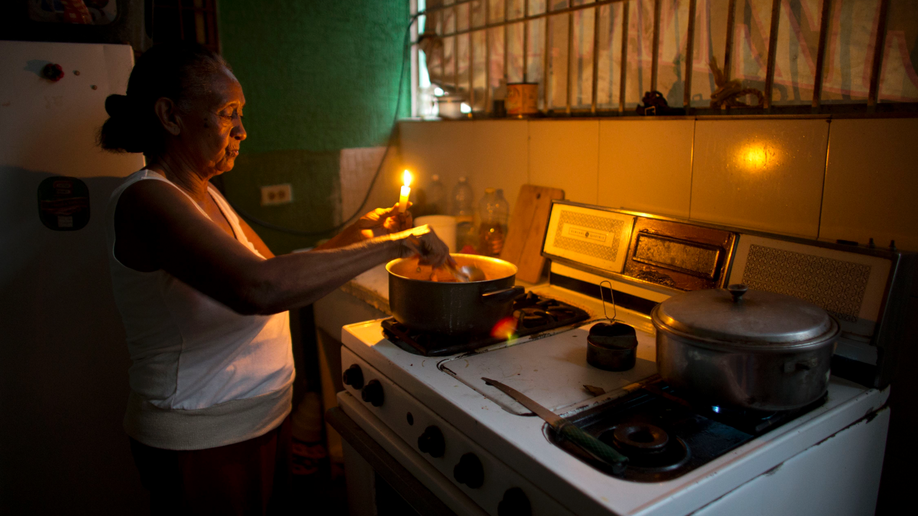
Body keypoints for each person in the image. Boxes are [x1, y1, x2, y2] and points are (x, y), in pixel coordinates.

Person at [98, 41, 449, 515]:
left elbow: (271, 271)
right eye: (228, 113)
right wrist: (397, 244)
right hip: (202, 440)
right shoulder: (148, 201)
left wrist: (352, 235)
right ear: (170, 115)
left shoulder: (207, 195)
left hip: (259, 420)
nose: (242, 130)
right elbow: (259, 288)